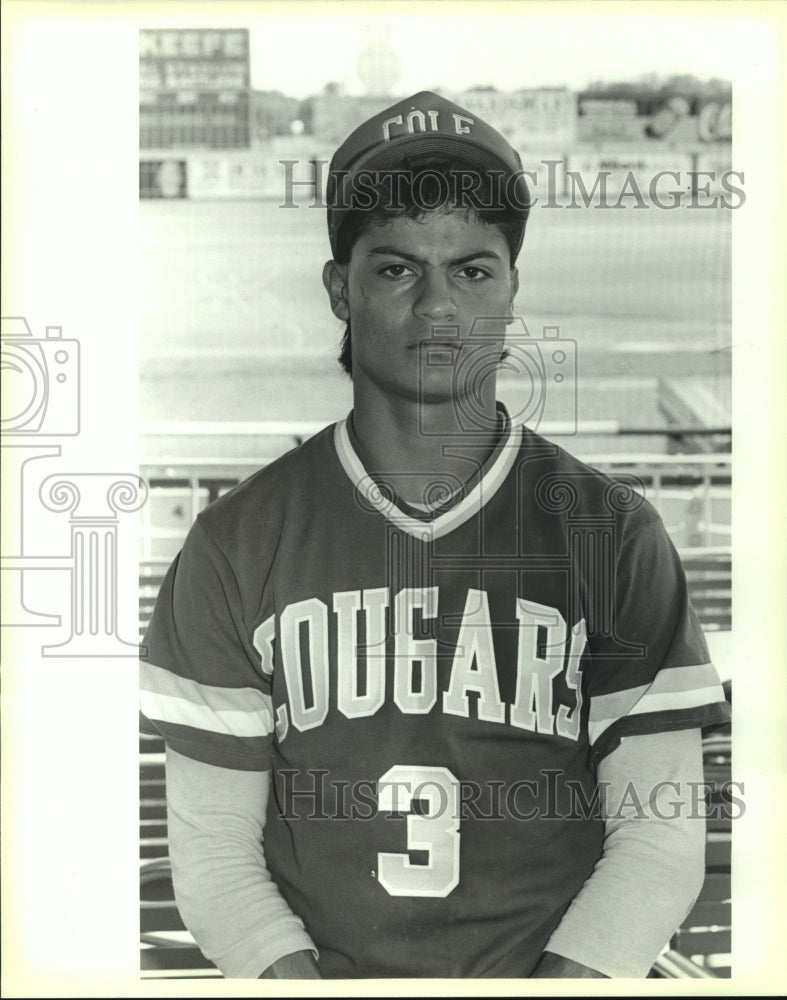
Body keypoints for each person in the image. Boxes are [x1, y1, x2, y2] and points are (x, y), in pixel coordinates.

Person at [139, 91, 731, 979]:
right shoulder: (234, 544)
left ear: (511, 289)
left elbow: (659, 837)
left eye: (472, 269)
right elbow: (216, 857)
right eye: (395, 270)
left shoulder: (611, 535)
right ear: (339, 288)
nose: (438, 306)